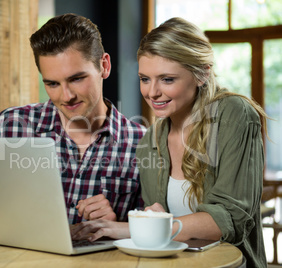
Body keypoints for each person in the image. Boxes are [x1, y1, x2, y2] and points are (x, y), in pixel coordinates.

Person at [0, 14, 146, 227]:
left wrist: (118, 224)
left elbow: (152, 224)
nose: (66, 96)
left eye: (76, 79)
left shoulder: (141, 143)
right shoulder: (12, 125)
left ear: (104, 66)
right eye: (52, 83)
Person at [71, 17, 268, 267]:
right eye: (145, 79)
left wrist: (149, 226)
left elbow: (230, 219)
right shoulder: (149, 140)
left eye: (167, 79)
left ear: (201, 74)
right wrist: (120, 224)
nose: (152, 92)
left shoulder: (233, 114)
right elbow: (159, 221)